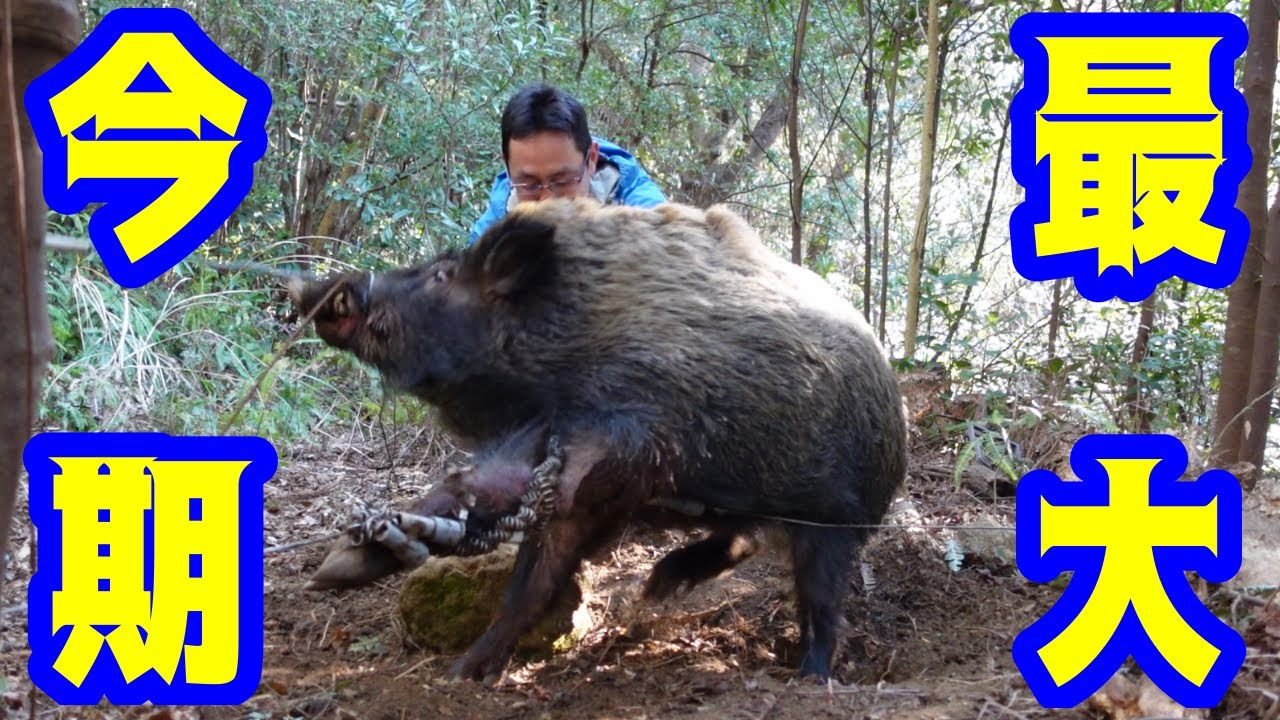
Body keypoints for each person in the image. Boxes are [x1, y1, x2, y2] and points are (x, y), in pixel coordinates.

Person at [469, 83, 667, 244]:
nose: (547, 201)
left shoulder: (643, 211)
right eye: (530, 185)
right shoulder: (491, 236)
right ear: (508, 168)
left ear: (591, 159)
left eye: (562, 181)